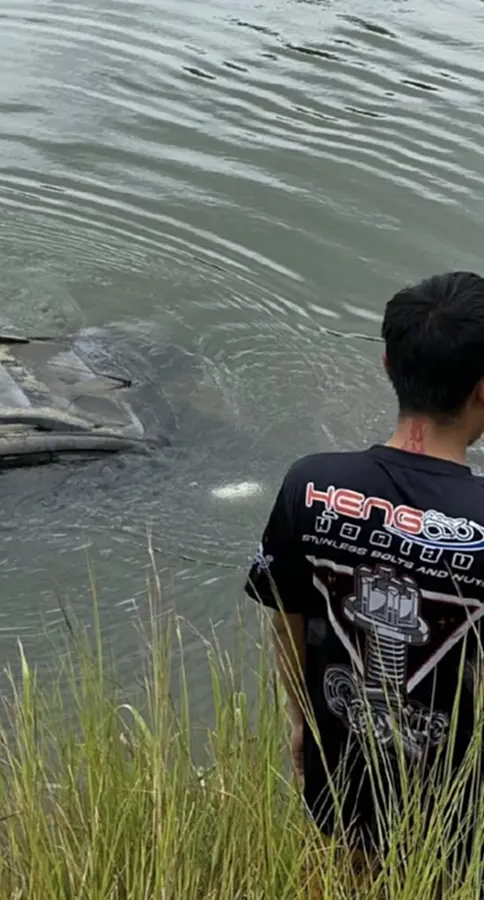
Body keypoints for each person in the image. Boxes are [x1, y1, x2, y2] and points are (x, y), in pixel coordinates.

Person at [244, 272, 484, 891]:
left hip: (340, 780)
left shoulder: (310, 485)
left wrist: (300, 722)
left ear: (385, 363)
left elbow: (287, 614)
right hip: (461, 816)